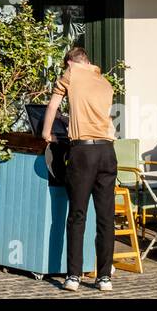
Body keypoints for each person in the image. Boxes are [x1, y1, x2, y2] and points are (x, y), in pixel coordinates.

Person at [40, 47, 116, 293]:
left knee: (77, 215)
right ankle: (104, 278)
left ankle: (73, 276)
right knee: (105, 218)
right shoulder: (104, 82)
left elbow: (53, 106)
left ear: (71, 62)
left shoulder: (71, 74)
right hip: (107, 152)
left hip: (83, 152)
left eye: (66, 65)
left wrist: (46, 133)